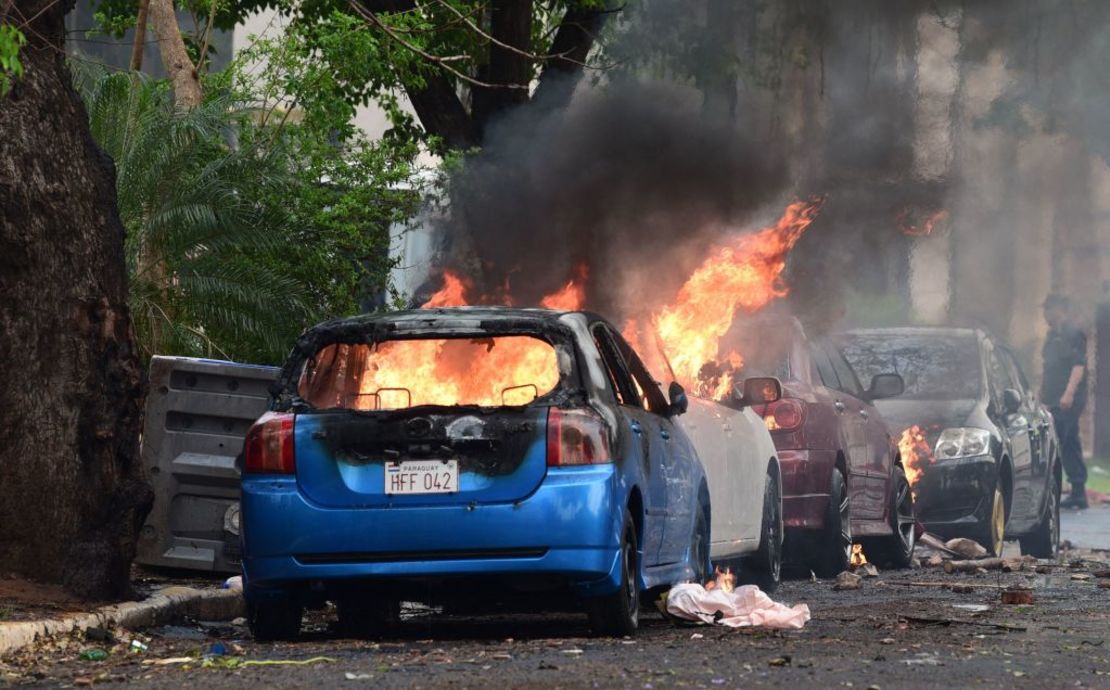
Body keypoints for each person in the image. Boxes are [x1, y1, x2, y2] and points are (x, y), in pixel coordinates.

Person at [1041, 293, 1089, 509]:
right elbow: (1049, 369)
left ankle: (1050, 490)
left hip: (1069, 399)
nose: (1045, 314)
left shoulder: (1073, 332)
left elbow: (1078, 366)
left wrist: (1068, 393)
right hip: (1055, 399)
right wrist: (1041, 397)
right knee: (1070, 442)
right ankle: (1078, 492)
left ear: (1059, 309)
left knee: (1056, 441)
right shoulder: (1053, 335)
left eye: (1048, 309)